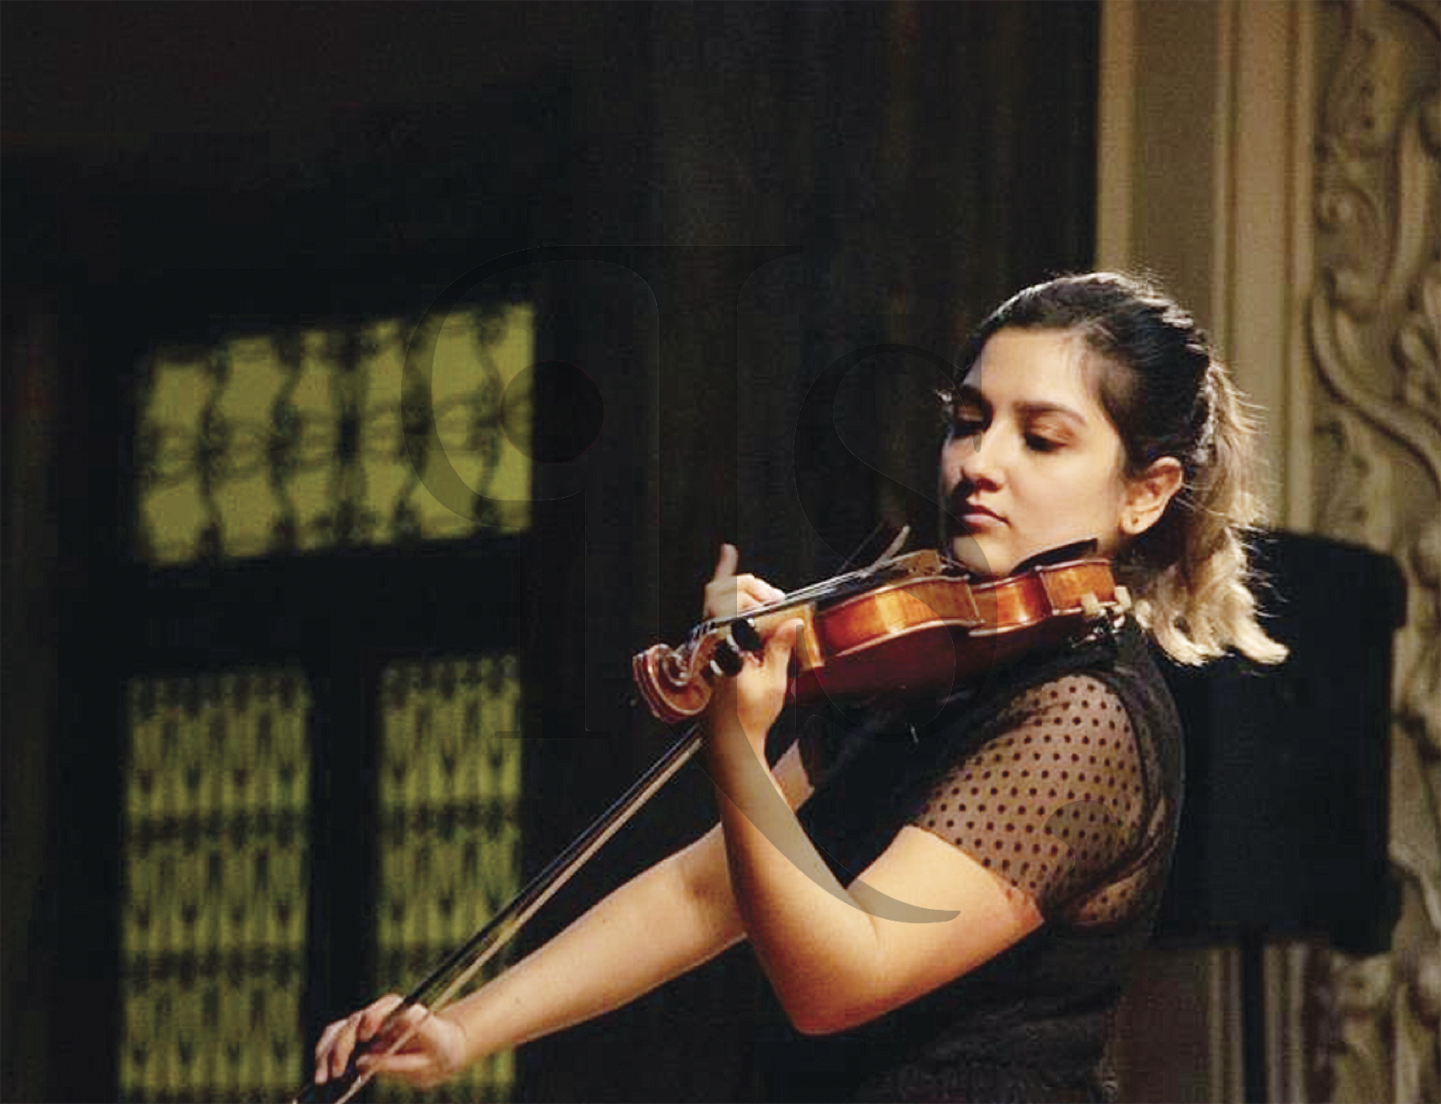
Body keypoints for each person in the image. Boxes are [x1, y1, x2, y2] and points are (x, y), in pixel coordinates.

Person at [311, 272, 1287, 1102]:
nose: (978, 463)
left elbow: (840, 979)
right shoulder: (935, 668)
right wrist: (464, 1029)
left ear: (1145, 492)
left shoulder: (1082, 715)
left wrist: (734, 746)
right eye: (966, 422)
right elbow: (707, 890)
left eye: (1041, 439)